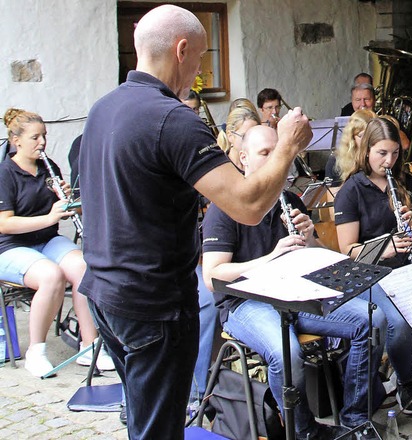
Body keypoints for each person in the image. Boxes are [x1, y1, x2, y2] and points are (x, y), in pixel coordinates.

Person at [78, 5, 312, 439]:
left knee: (142, 417)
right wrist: (286, 148)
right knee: (160, 429)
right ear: (181, 49)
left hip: (103, 291)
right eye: (202, 59)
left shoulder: (102, 108)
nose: (200, 71)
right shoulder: (173, 119)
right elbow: (248, 205)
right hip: (152, 303)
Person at [202, 124, 383, 438]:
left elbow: (319, 261)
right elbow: (213, 275)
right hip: (246, 303)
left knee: (372, 319)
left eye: (281, 152)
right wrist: (272, 257)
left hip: (296, 296)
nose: (277, 160)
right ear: (243, 158)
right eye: (265, 153)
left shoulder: (292, 201)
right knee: (288, 354)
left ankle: (354, 420)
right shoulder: (224, 207)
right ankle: (303, 431)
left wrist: (311, 238)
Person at [0, 108, 114, 377]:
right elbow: (4, 223)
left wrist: (67, 201)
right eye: (35, 138)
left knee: (84, 268)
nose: (42, 143)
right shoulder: (5, 173)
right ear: (16, 140)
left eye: (44, 136)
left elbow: (62, 209)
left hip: (46, 240)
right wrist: (50, 216)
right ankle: (35, 352)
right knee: (51, 276)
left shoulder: (47, 166)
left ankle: (90, 347)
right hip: (10, 247)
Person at [334, 117, 412, 414]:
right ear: (366, 151)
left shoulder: (404, 181)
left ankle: (407, 368)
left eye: (395, 153)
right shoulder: (352, 190)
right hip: (369, 276)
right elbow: (347, 250)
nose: (389, 161)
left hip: (405, 269)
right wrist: (384, 249)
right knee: (398, 325)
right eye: (382, 153)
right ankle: (408, 381)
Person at [325, 109, 376, 185]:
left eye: (371, 135)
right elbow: (330, 194)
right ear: (352, 137)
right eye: (361, 136)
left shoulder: (382, 157)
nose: (366, 141)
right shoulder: (335, 161)